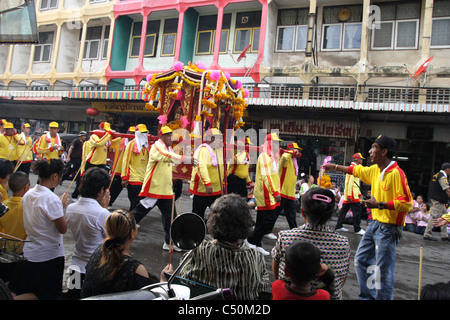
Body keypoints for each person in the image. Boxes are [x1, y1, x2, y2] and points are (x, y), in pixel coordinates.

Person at [324, 134, 413, 300]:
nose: (370, 151)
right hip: (375, 224)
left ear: (384, 152)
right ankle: (368, 296)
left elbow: (407, 202)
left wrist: (380, 204)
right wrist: (335, 166)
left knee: (383, 271)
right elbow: (357, 170)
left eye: (374, 148)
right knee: (362, 260)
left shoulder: (396, 173)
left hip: (389, 228)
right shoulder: (375, 169)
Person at [178, 194, 269, 300]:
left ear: (213, 220)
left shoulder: (199, 250)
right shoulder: (255, 257)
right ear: (245, 222)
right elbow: (262, 285)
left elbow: (184, 277)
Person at [272, 188, 351, 300]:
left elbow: (277, 272)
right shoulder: (343, 243)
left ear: (302, 212)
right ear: (330, 215)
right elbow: (340, 282)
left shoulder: (285, 237)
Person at [8, 159, 69, 300]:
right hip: (48, 255)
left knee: (21, 289)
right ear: (55, 176)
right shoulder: (52, 199)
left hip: (29, 251)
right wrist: (61, 206)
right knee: (45, 294)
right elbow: (63, 229)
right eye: (60, 176)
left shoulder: (28, 194)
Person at [80, 209, 171, 298]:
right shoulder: (135, 268)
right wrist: (163, 281)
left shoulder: (99, 252)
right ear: (132, 233)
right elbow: (148, 296)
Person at [132, 126, 194, 251]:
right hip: (154, 189)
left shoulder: (168, 148)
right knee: (137, 215)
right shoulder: (157, 147)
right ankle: (118, 230)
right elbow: (166, 156)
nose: (171, 138)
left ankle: (170, 242)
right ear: (161, 137)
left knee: (170, 218)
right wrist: (185, 159)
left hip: (165, 190)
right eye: (168, 136)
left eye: (172, 136)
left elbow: (171, 158)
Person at [65, 167, 111, 299]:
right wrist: (105, 208)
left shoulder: (71, 208)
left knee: (72, 295)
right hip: (95, 269)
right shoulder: (101, 213)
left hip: (75, 264)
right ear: (101, 190)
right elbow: (112, 240)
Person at [246, 132, 282, 256]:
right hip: (265, 192)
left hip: (270, 192)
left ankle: (256, 243)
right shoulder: (264, 156)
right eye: (276, 142)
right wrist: (275, 192)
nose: (278, 145)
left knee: (262, 219)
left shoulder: (272, 156)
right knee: (269, 219)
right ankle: (251, 239)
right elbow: (266, 176)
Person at [0, 171, 30, 282]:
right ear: (26, 187)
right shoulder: (27, 207)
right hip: (20, 253)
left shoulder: (3, 205)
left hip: (3, 251)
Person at [189, 128, 224, 220]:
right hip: (203, 189)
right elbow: (201, 167)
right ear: (210, 139)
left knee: (218, 214)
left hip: (216, 189)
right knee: (198, 213)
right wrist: (207, 183)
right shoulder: (203, 150)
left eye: (220, 138)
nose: (220, 140)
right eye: (217, 138)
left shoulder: (219, 150)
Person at [335, 153, 366, 236]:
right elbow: (349, 182)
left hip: (351, 193)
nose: (362, 160)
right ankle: (357, 229)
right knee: (357, 211)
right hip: (352, 194)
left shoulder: (354, 168)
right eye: (361, 159)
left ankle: (338, 225)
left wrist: (358, 193)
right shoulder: (353, 168)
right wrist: (349, 195)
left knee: (344, 210)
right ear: (358, 159)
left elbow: (354, 183)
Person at [121, 124, 150, 211]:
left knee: (140, 203)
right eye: (142, 133)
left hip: (144, 179)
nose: (144, 135)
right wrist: (124, 177)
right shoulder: (131, 144)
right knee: (135, 202)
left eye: (145, 132)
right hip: (134, 178)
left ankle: (132, 220)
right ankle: (131, 221)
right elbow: (125, 161)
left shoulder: (147, 146)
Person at [276, 143, 302, 229]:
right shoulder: (285, 158)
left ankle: (294, 230)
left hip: (290, 193)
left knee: (292, 215)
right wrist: (291, 152)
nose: (297, 152)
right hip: (282, 192)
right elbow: (284, 157)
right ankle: (265, 230)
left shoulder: (294, 161)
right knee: (274, 214)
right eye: (296, 149)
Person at [423, 163, 450, 241]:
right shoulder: (443, 177)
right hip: (439, 200)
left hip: (436, 199)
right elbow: (447, 189)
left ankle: (444, 235)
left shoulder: (436, 175)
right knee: (434, 216)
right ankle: (427, 234)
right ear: (447, 169)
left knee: (444, 216)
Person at [109, 126, 135, 207]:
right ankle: (108, 202)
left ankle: (134, 208)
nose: (132, 135)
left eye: (134, 133)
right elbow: (109, 143)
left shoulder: (137, 143)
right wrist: (111, 134)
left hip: (131, 171)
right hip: (118, 170)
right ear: (127, 133)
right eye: (131, 133)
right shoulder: (120, 140)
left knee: (133, 192)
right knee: (114, 189)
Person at [65, 131, 87, 198]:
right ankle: (62, 178)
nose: (84, 137)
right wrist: (68, 157)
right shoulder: (76, 141)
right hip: (74, 158)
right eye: (83, 136)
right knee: (71, 170)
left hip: (80, 159)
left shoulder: (84, 143)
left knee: (79, 174)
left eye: (85, 136)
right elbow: (71, 148)